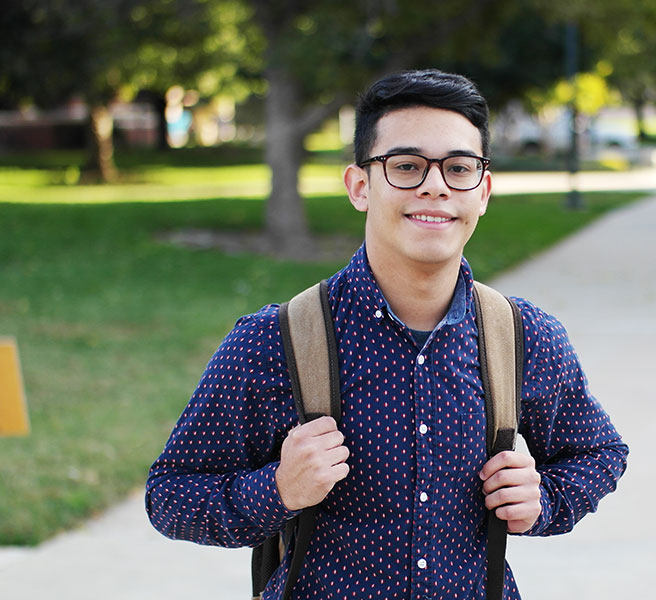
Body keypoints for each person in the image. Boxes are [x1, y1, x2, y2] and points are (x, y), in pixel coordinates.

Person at [145, 69, 628, 600]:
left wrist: (543, 502)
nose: (435, 185)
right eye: (406, 166)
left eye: (459, 168)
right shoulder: (274, 341)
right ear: (360, 186)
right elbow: (171, 495)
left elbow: (598, 453)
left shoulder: (523, 337)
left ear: (483, 191)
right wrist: (279, 489)